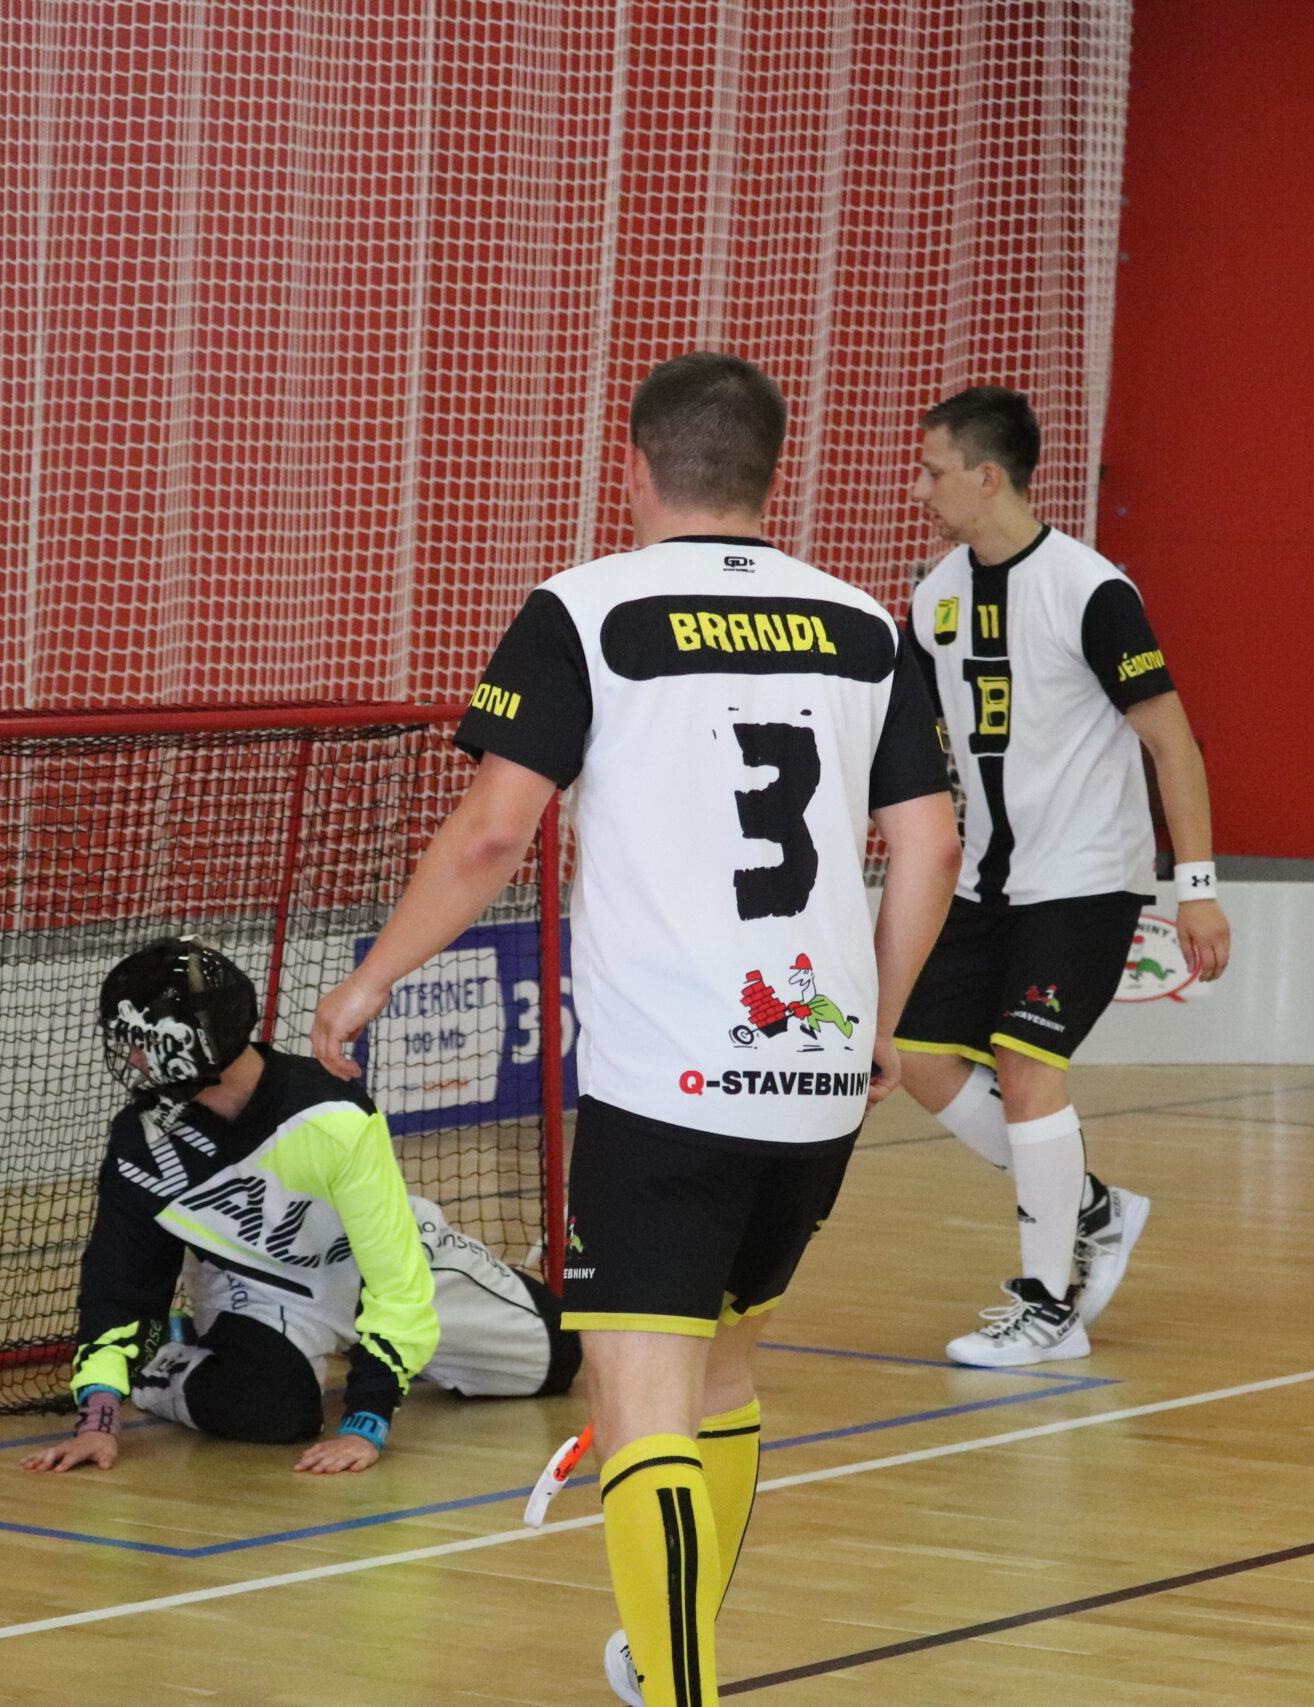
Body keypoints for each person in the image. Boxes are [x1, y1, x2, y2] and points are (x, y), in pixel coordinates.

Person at [311, 352, 959, 1707]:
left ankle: (678, 1684)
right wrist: (884, 1026)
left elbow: (491, 833)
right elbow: (929, 843)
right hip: (815, 1075)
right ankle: (667, 1650)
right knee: (721, 1378)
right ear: (774, 471)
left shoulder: (583, 608)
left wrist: (369, 979)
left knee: (638, 1394)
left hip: (666, 1081)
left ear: (633, 465)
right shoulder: (864, 622)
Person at [894, 384, 1232, 1368]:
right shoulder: (931, 597)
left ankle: (1049, 1308)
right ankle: (1090, 1207)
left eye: (934, 472)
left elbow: (1172, 743)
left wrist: (1197, 887)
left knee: (1026, 1067)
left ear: (988, 476)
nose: (920, 490)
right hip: (984, 883)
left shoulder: (1091, 591)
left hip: (1085, 878)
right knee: (915, 1053)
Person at [20, 937, 579, 1477]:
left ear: (191, 1041)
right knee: (276, 1414)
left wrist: (367, 1421)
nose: (132, 1058)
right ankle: (164, 1358)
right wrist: (99, 1417)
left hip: (380, 1265)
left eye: (141, 1041)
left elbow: (394, 1277)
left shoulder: (329, 1113)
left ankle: (387, 1352)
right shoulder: (143, 1142)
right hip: (264, 1292)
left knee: (558, 1358)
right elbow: (121, 1284)